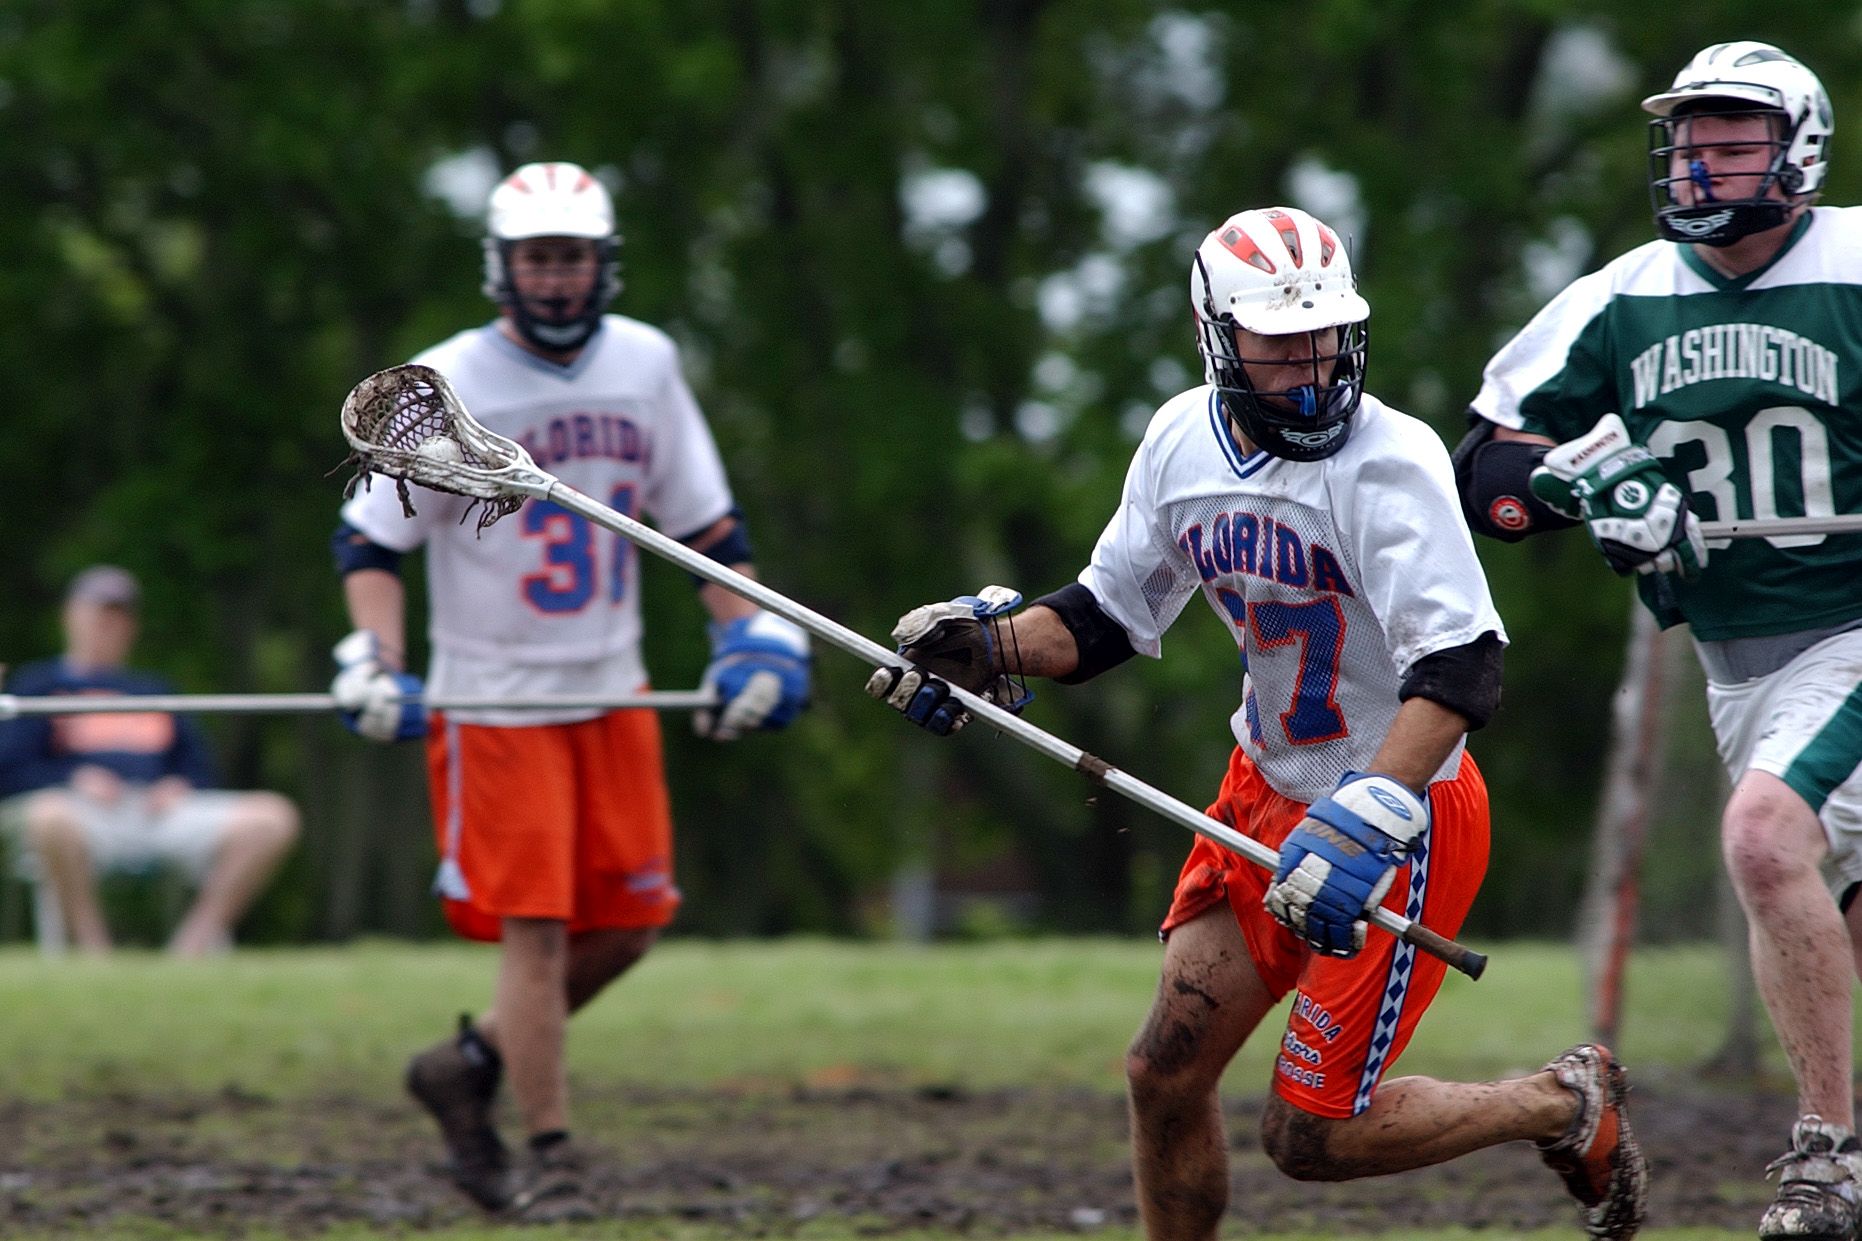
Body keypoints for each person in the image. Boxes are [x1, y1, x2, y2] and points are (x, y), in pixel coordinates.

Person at [867, 206, 1647, 1241]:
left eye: (1325, 335)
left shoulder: (1389, 459)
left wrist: (1370, 809)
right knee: (1162, 1073)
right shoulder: (1179, 439)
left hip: (1397, 812)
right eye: (1279, 342)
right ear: (1217, 336)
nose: (1310, 368)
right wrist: (985, 646)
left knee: (1310, 1135)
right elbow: (1102, 617)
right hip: (1261, 790)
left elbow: (1463, 667)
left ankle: (1557, 1102)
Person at [330, 160, 810, 1221]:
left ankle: (465, 1064)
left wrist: (752, 634)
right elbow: (368, 541)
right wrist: (372, 654)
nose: (556, 277)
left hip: (611, 684)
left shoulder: (645, 361)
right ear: (502, 266)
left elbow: (706, 528)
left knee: (630, 924)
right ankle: (552, 1155)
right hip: (495, 697)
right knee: (536, 935)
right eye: (538, 257)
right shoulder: (448, 381)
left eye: (573, 256)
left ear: (604, 263)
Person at [1453, 40, 1862, 1241]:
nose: (1697, 165)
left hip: (1849, 623)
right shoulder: (1621, 293)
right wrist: (1587, 483)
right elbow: (1482, 463)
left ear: (1797, 151)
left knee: (1759, 839)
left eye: (1729, 142)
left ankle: (1825, 1160)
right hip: (1732, 657)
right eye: (1687, 144)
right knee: (1820, 893)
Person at [0, 565, 300, 957]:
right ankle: (94, 957)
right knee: (49, 816)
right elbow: (10, 771)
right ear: (69, 616)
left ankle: (189, 953)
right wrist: (71, 777)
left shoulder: (155, 689)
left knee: (272, 817)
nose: (109, 625)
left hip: (157, 813)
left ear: (133, 627)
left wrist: (180, 785)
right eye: (99, 613)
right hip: (80, 814)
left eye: (120, 616)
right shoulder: (38, 685)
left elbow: (201, 768)